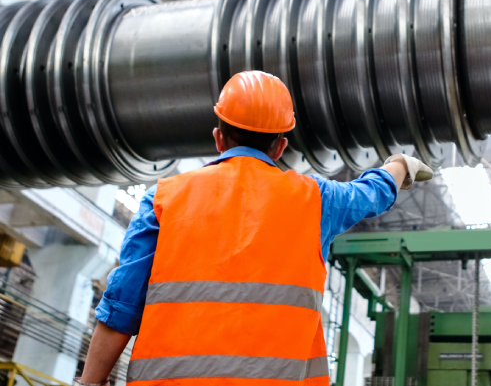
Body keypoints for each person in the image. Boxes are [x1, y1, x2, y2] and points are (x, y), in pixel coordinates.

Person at [77, 71, 433, 385]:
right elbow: (373, 194)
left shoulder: (164, 198)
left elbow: (121, 307)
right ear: (280, 147)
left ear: (219, 138)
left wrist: (90, 382)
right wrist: (399, 164)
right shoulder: (316, 199)